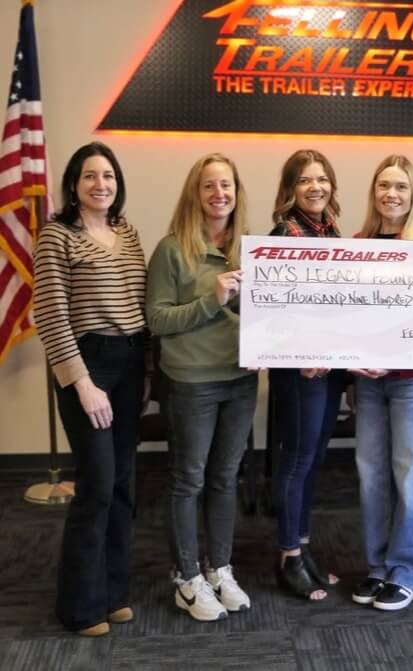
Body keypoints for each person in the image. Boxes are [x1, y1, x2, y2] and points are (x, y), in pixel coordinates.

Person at [33, 142, 148, 636]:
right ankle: (79, 606)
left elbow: (140, 302)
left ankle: (113, 593)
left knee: (123, 484)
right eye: (90, 176)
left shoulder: (127, 231)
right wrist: (82, 383)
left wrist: (144, 372)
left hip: (130, 362)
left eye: (109, 176)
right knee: (97, 485)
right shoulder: (56, 235)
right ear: (73, 184)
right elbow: (50, 314)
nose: (101, 184)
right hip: (88, 365)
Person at [146, 153, 258, 622]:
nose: (219, 193)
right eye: (209, 185)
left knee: (225, 478)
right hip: (192, 382)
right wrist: (212, 299)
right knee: (189, 479)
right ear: (195, 193)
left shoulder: (250, 249)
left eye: (226, 185)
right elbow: (157, 319)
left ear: (237, 192)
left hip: (240, 380)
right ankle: (186, 577)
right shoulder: (172, 249)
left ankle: (219, 568)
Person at [350, 155, 413, 611]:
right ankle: (377, 566)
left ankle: (407, 570)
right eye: (384, 185)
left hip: (411, 382)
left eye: (401, 187)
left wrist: (397, 357)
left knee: (409, 476)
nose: (392, 194)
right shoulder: (356, 246)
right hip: (367, 382)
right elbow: (345, 315)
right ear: (374, 192)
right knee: (370, 475)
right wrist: (354, 360)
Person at [268, 149, 345, 601]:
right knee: (296, 460)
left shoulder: (331, 231)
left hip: (330, 366)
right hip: (300, 369)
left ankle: (303, 546)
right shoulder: (284, 234)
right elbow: (274, 310)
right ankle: (288, 556)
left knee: (313, 459)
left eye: (322, 179)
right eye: (304, 180)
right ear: (290, 189)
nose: (315, 187)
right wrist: (301, 352)